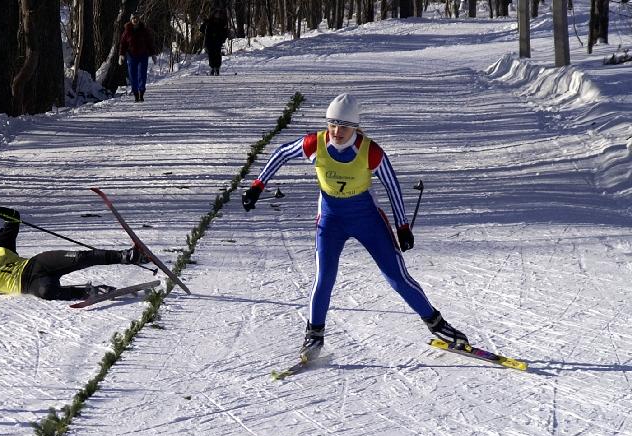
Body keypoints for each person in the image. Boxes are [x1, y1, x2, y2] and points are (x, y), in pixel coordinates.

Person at [241, 93, 469, 359]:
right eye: (332, 124)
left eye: (344, 126)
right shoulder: (316, 143)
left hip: (367, 219)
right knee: (324, 279)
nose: (337, 131)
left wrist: (403, 227)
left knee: (397, 277)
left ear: (355, 127)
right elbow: (281, 153)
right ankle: (314, 336)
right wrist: (257, 187)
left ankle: (438, 325)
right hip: (331, 219)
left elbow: (392, 186)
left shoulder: (369, 150)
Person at [0, 200, 150, 301]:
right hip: (27, 285)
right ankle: (90, 291)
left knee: (79, 258)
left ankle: (127, 256)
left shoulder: (1, 247)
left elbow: (12, 218)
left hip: (37, 264)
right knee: (46, 292)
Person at [118, 13, 156, 102]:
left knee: (142, 75)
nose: (135, 20)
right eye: (133, 18)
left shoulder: (144, 30)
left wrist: (153, 54)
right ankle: (135, 94)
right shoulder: (127, 31)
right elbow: (123, 44)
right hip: (131, 56)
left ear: (139, 19)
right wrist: (121, 55)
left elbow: (149, 42)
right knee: (132, 76)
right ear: (131, 20)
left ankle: (141, 93)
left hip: (143, 55)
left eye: (137, 18)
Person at [200, 8, 228, 76]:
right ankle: (212, 68)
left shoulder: (221, 22)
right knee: (211, 54)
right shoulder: (209, 21)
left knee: (217, 54)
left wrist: (223, 38)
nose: (217, 15)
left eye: (218, 14)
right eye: (216, 14)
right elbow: (202, 30)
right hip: (210, 40)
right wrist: (205, 24)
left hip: (218, 40)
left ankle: (217, 68)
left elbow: (225, 32)